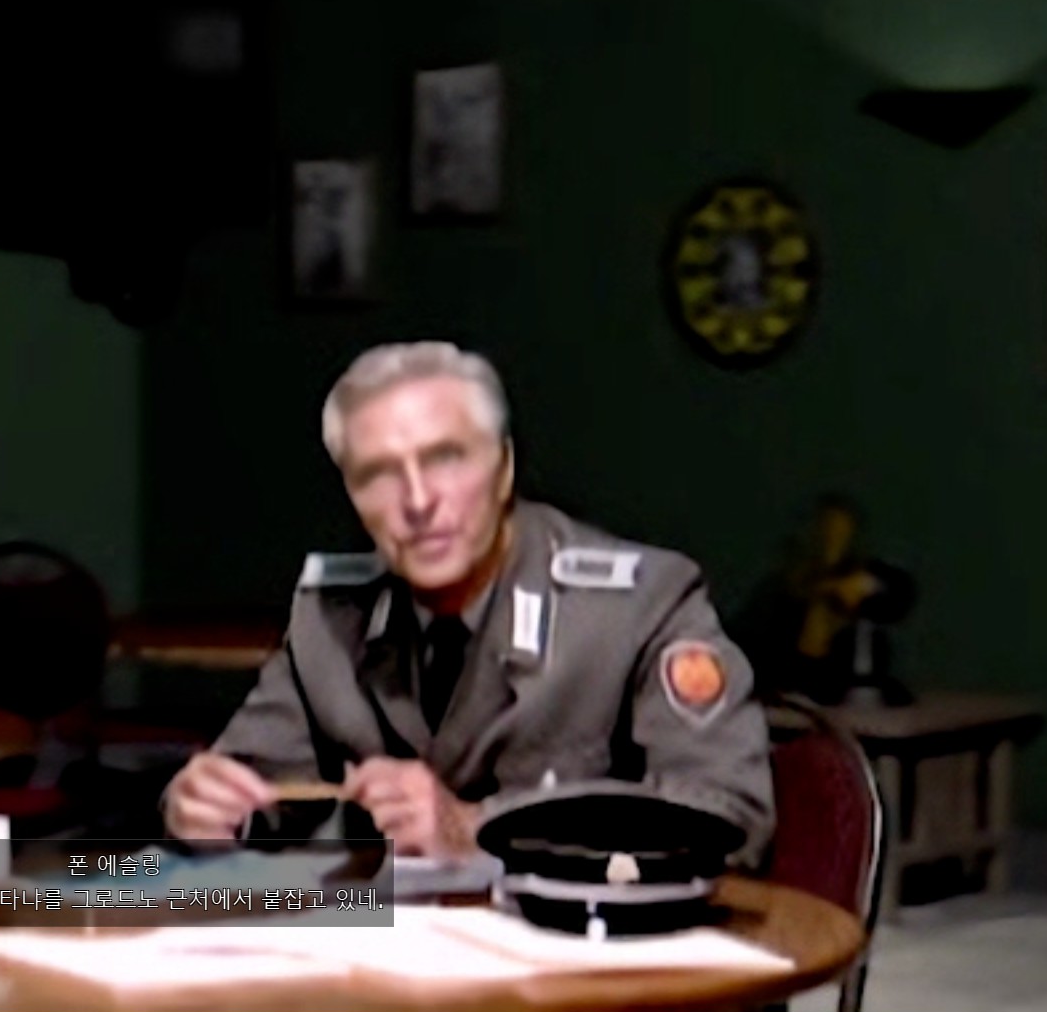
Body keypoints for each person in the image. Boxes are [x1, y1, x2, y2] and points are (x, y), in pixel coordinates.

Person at [161, 341, 775, 864]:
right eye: (378, 474)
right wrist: (199, 810)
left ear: (504, 469)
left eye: (445, 459)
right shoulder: (331, 621)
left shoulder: (635, 609)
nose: (417, 501)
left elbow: (732, 817)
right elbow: (250, 787)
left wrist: (479, 830)